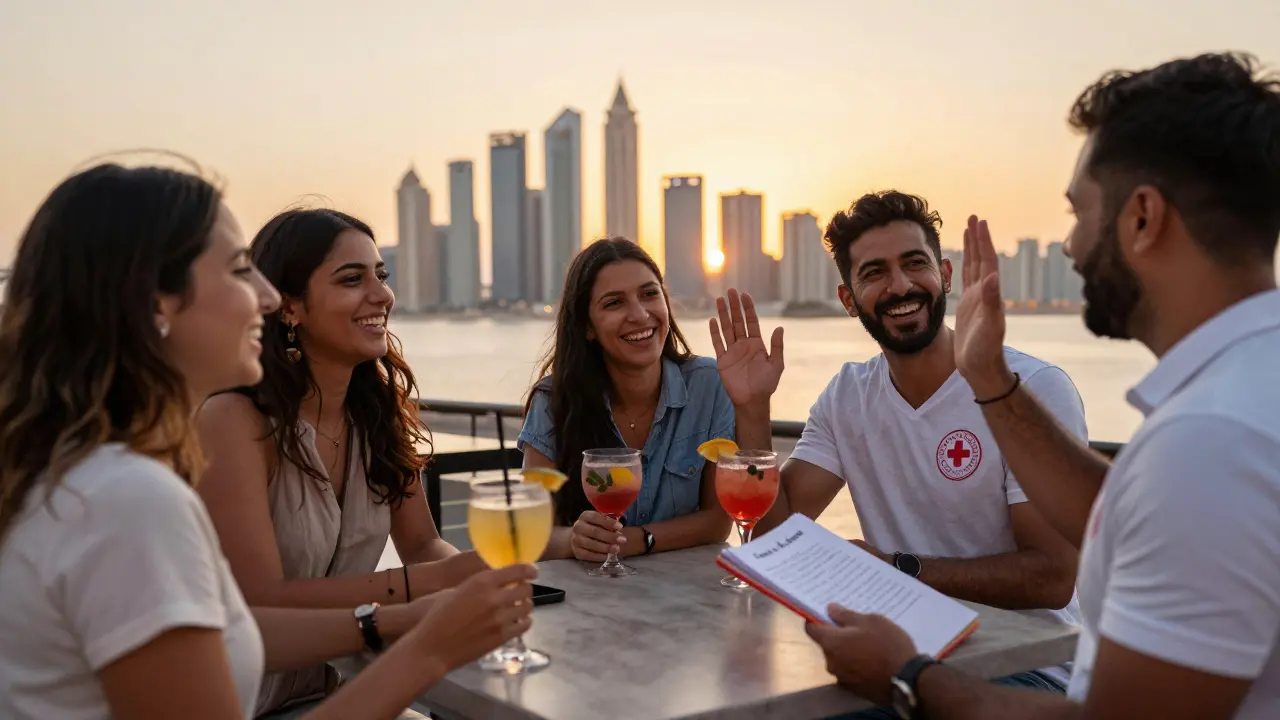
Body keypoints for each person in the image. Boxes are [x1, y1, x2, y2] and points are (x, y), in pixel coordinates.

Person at [806, 52, 1280, 720]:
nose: (1069, 247)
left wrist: (906, 676)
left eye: (1079, 212)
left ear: (1142, 218)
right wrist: (990, 378)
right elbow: (1126, 515)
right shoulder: (1245, 391)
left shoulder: (1210, 440)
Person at [0, 162, 536, 720]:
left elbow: (234, 623)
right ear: (156, 303)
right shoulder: (127, 499)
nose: (265, 295)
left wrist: (402, 618)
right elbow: (256, 605)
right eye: (239, 271)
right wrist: (429, 646)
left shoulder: (93, 477)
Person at [746, 190, 1085, 703]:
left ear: (945, 275)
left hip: (1030, 670)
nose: (900, 285)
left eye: (914, 264)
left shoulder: (1029, 387)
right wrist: (753, 409)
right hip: (903, 654)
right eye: (874, 272)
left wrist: (898, 569)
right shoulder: (848, 397)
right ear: (847, 299)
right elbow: (771, 536)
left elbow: (1054, 577)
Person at [196, 208, 484, 717]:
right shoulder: (234, 421)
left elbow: (420, 543)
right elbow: (263, 598)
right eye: (352, 280)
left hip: (343, 690)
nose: (381, 296)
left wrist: (477, 587)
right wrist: (426, 590)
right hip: (243, 703)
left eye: (382, 276)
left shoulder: (377, 416)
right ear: (289, 307)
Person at [519, 236, 779, 562]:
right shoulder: (553, 400)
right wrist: (573, 540)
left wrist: (639, 540)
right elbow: (531, 532)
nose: (640, 315)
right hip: (585, 599)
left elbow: (717, 520)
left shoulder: (710, 385)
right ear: (587, 326)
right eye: (614, 303)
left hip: (685, 596)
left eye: (649, 294)